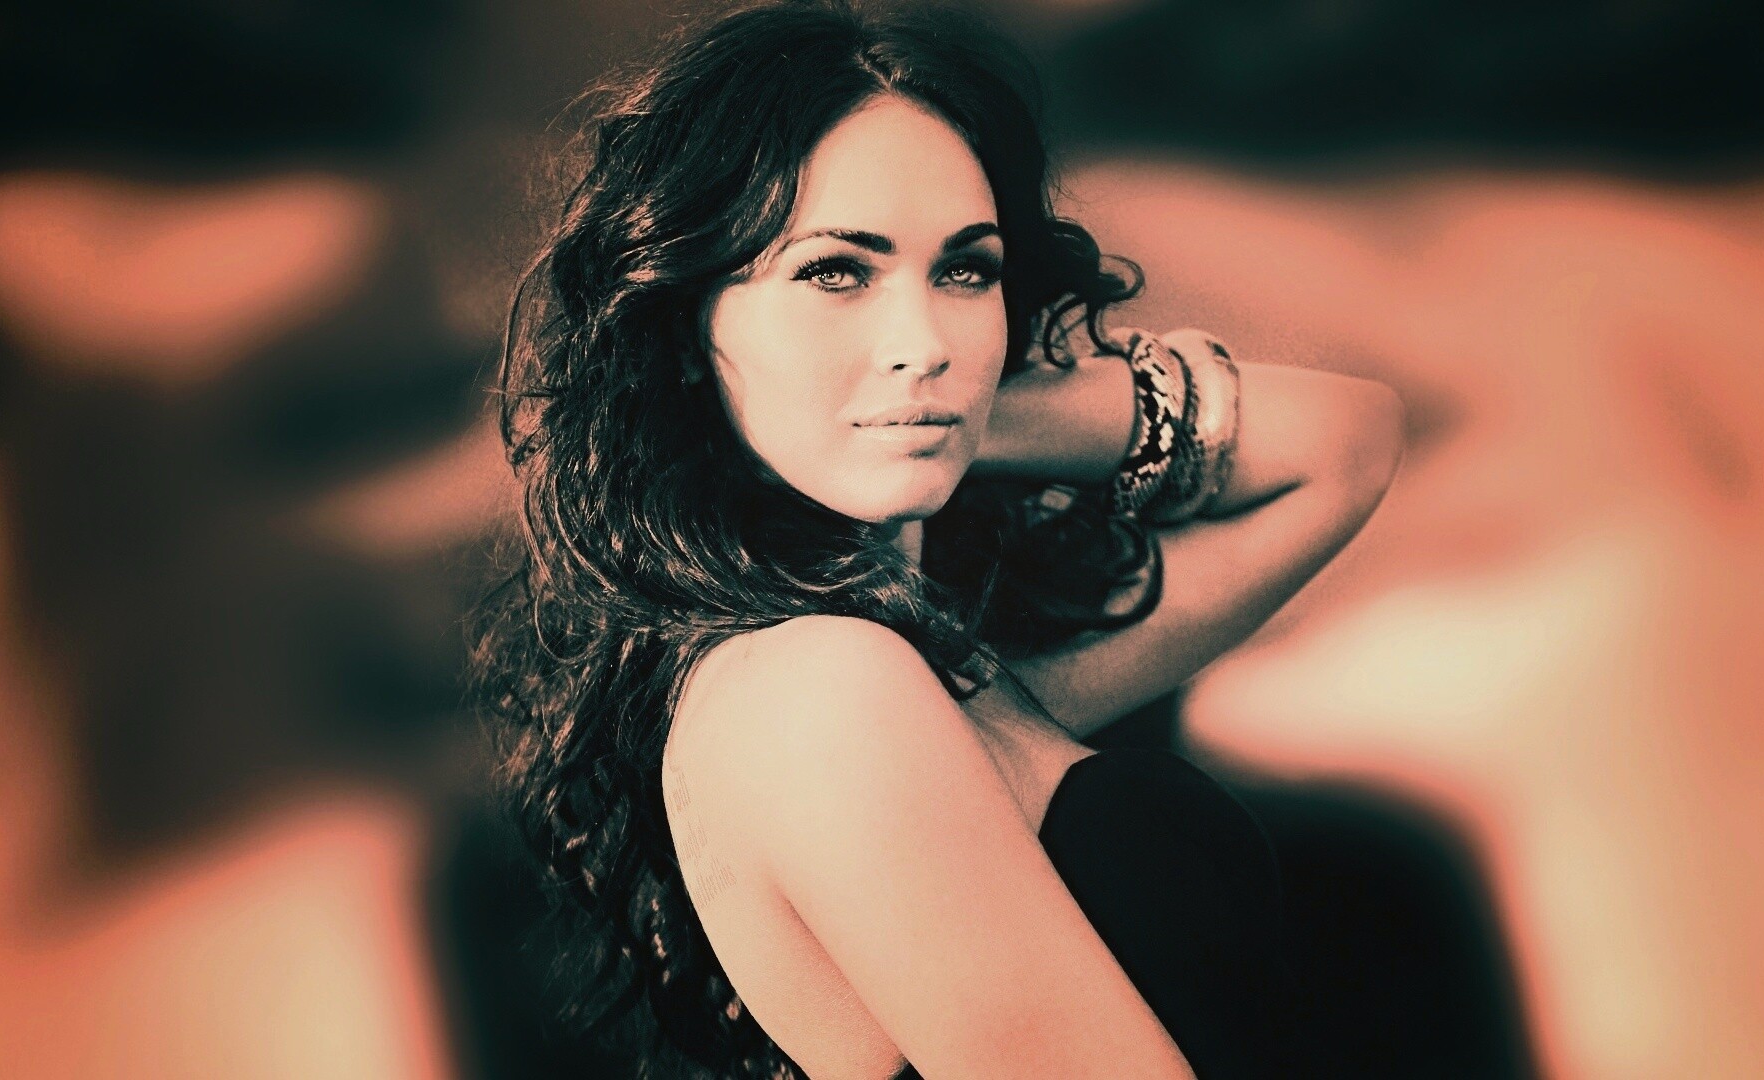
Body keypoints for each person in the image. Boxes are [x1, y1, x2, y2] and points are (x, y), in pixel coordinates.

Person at [467, 0, 1406, 1076]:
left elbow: (1348, 443)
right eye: (835, 271)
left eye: (966, 271)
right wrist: (894, 414)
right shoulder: (817, 690)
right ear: (686, 327)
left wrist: (954, 415)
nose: (923, 341)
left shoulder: (953, 664)